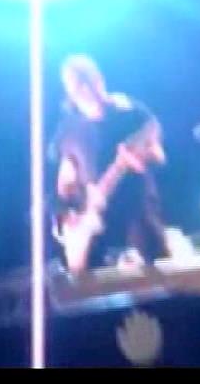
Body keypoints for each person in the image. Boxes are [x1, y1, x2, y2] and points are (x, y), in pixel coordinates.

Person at [49, 54, 169, 274]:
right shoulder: (69, 128)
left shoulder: (132, 112)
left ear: (99, 79)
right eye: (77, 85)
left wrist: (139, 159)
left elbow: (159, 154)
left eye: (88, 80)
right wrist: (67, 214)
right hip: (93, 222)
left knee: (158, 271)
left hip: (137, 210)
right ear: (69, 91)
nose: (85, 89)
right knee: (88, 281)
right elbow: (66, 181)